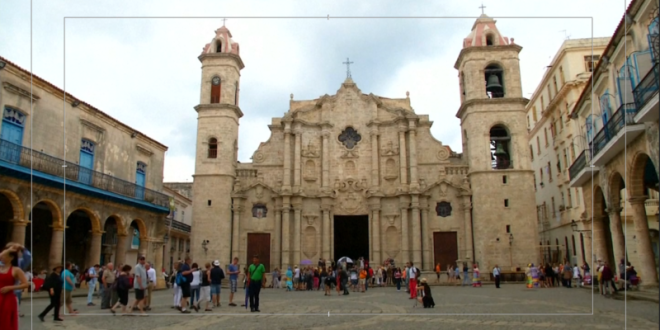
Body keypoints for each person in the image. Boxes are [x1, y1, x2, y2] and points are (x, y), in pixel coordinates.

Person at [0, 244, 30, 330]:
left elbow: (26, 284)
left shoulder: (16, 269)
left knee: (6, 321)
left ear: (11, 258)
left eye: (5, 256)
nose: (2, 257)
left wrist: (10, 287)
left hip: (8, 298)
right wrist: (8, 250)